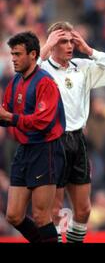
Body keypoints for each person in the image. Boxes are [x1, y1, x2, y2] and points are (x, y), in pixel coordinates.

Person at [39, 22, 105, 242]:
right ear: (52, 44)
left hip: (78, 140)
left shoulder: (83, 67)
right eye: (62, 41)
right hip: (53, 141)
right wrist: (45, 48)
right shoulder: (42, 70)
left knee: (84, 210)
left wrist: (89, 51)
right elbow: (22, 78)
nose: (69, 46)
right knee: (56, 210)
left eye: (71, 41)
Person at [0, 31, 66, 242]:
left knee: (40, 216)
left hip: (45, 149)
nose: (13, 59)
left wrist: (10, 117)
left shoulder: (45, 82)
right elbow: (6, 114)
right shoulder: (15, 83)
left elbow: (42, 122)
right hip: (24, 149)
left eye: (18, 54)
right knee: (14, 215)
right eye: (12, 54)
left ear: (33, 54)